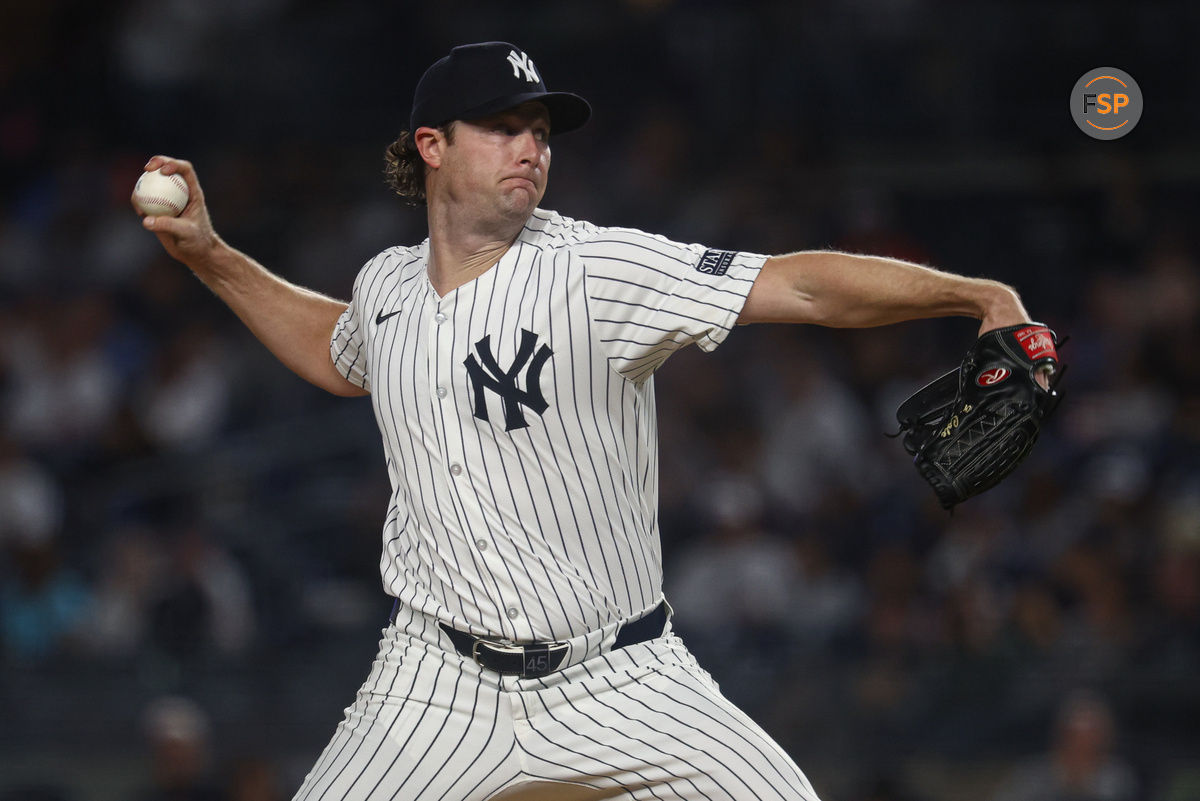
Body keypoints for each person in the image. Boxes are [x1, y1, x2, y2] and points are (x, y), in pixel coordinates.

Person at [137, 41, 1042, 801]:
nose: (531, 147)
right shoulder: (385, 287)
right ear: (433, 147)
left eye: (540, 132)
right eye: (503, 127)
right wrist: (213, 257)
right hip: (433, 680)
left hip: (622, 673)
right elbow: (339, 351)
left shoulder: (595, 270)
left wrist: (973, 293)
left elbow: (796, 282)